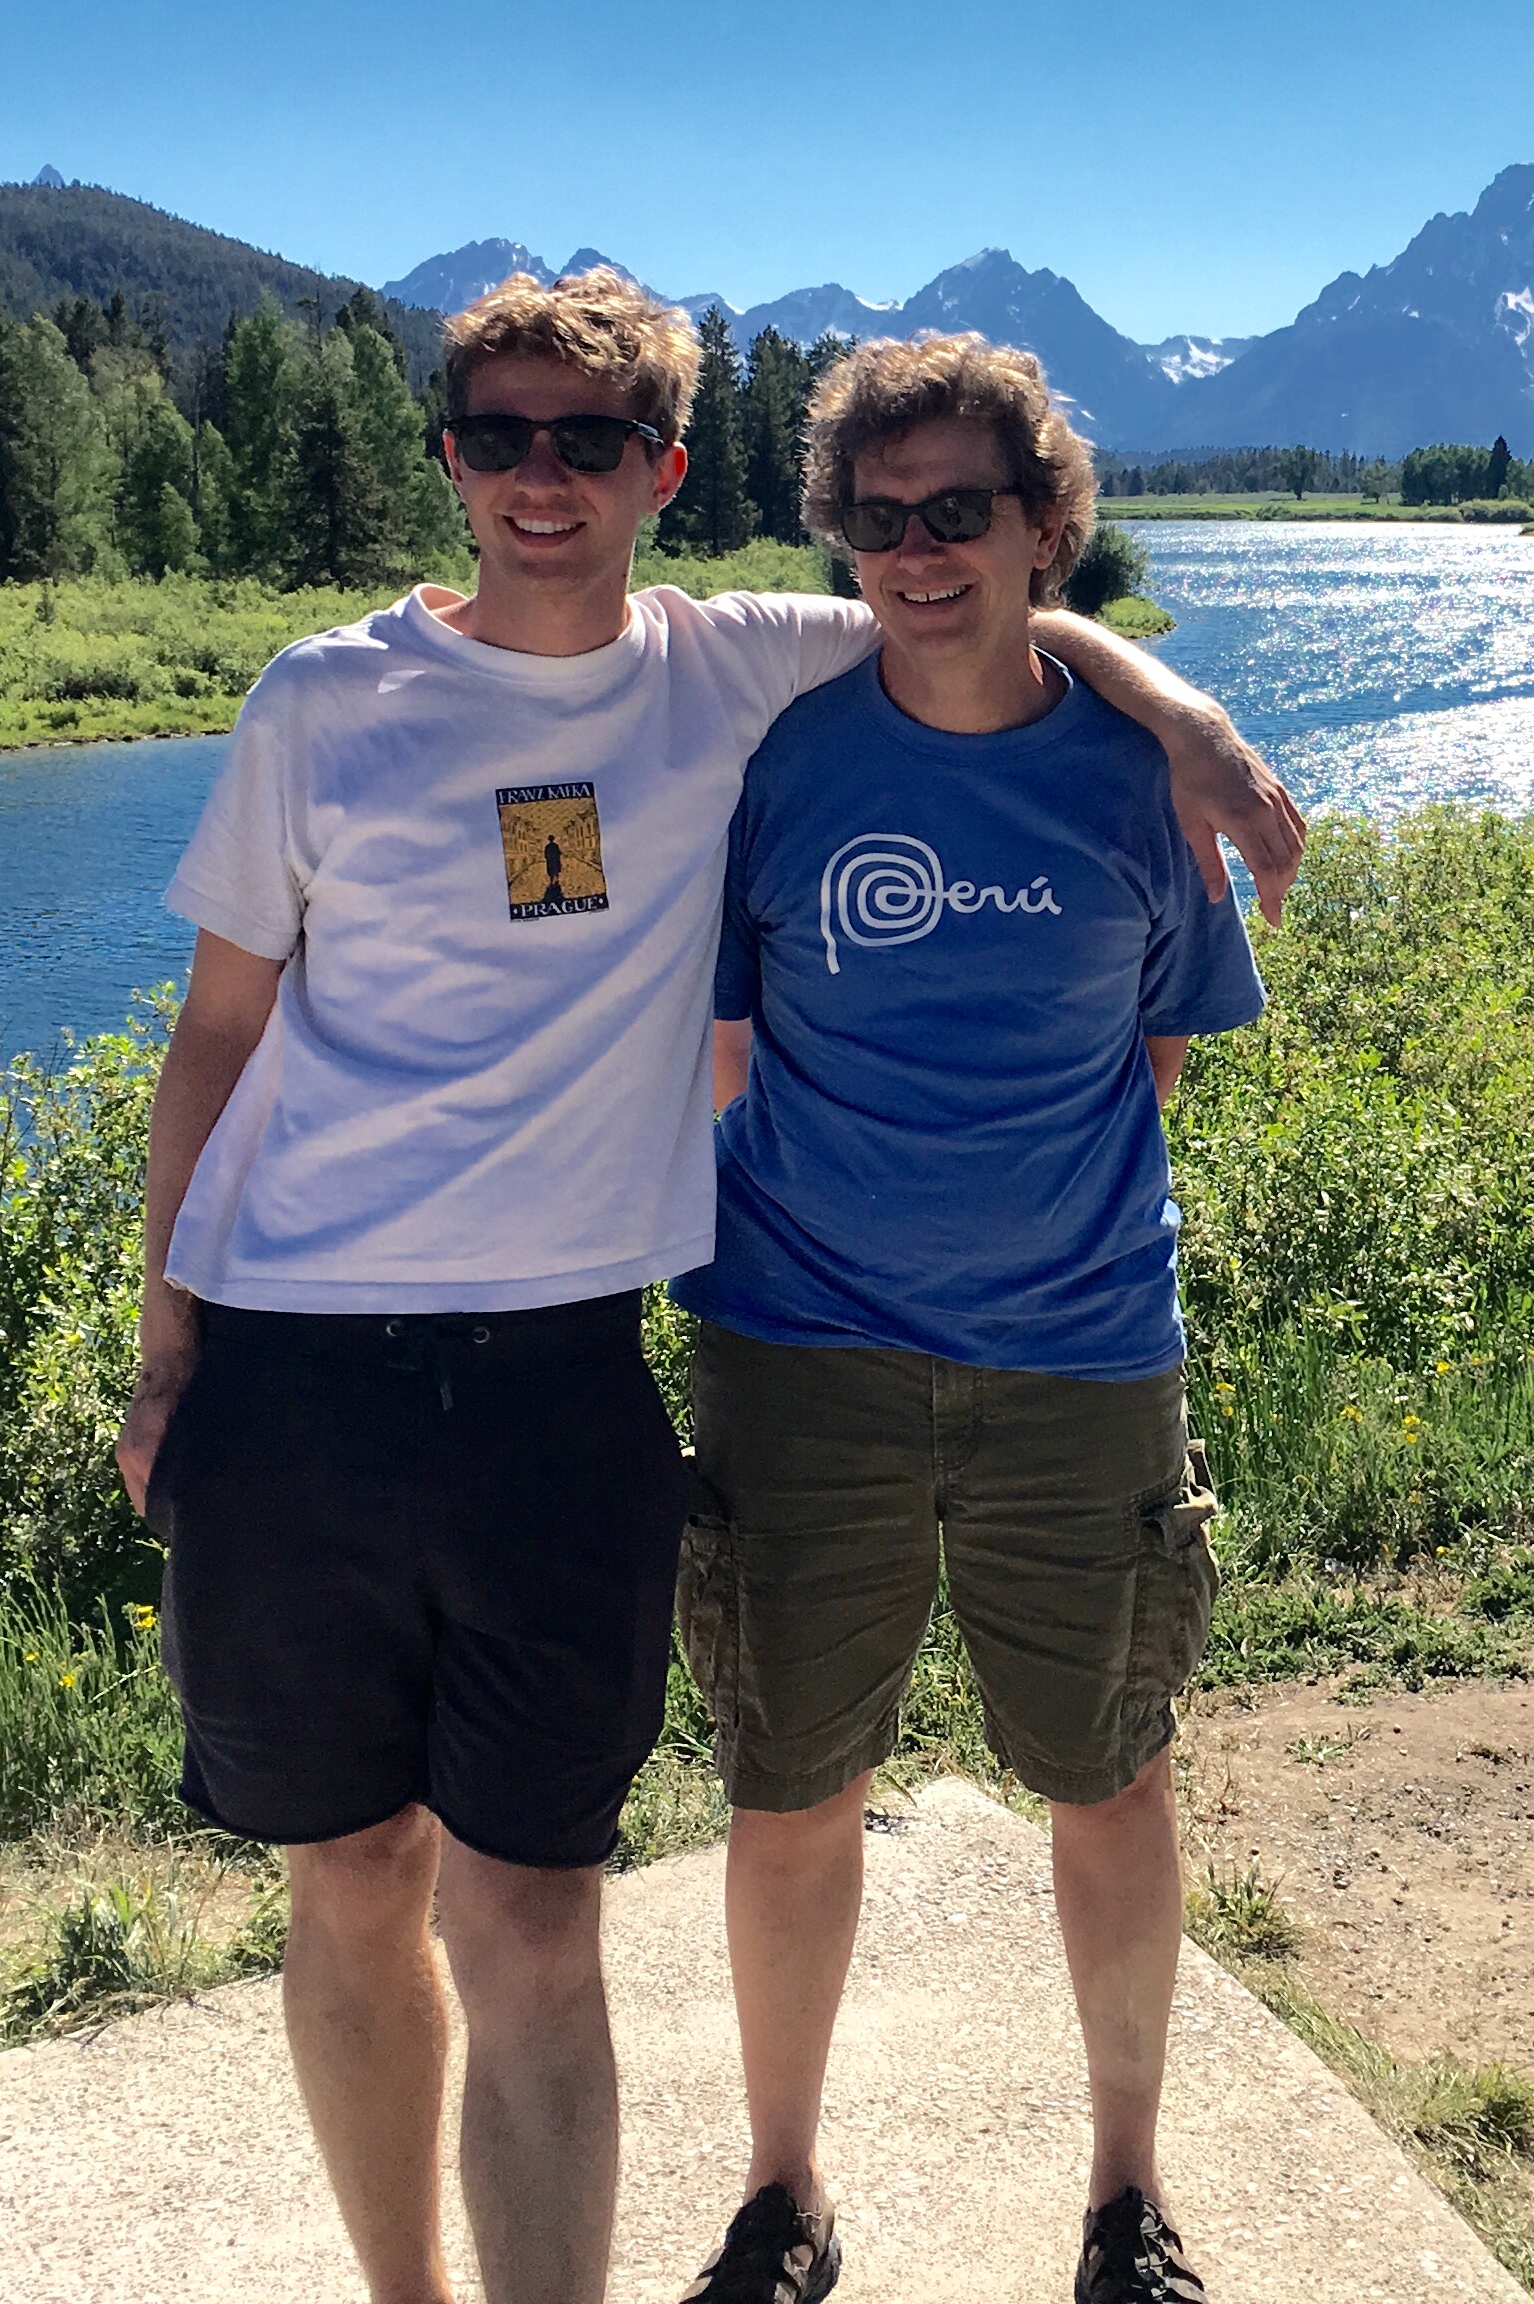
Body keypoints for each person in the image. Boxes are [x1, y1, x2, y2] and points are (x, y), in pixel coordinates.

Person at [120, 274, 1297, 2304]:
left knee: (555, 1909)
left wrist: (1184, 717)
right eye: (497, 437)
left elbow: (1019, 661)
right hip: (363, 1374)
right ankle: (587, 2247)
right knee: (386, 1870)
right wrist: (166, 1346)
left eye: (588, 442)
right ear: (451, 461)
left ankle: (1073, 2195)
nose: (540, 478)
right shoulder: (344, 704)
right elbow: (217, 1040)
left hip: (599, 1379)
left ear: (664, 470)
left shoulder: (736, 675)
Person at [677, 333, 1261, 2304]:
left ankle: (1125, 2197)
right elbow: (724, 1032)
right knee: (790, 1785)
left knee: (1105, 1776)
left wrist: (1157, 694)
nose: (918, 554)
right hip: (798, 1350)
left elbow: (1162, 1044)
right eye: (880, 516)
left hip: (1083, 1358)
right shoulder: (781, 757)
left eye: (961, 513)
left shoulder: (1139, 782)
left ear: (1043, 530)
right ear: (844, 537)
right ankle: (782, 2193)